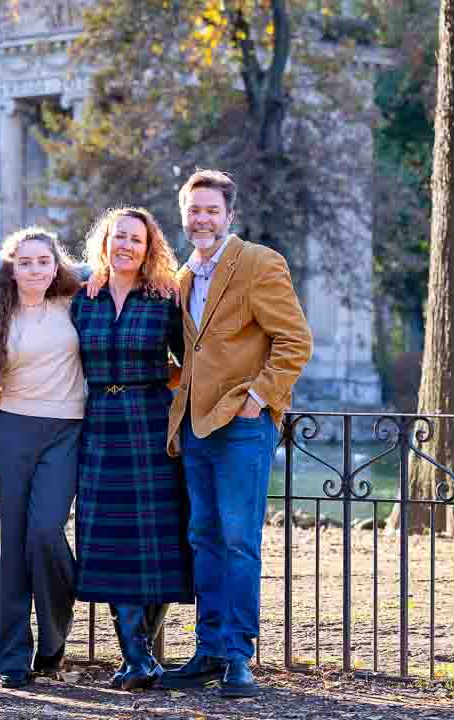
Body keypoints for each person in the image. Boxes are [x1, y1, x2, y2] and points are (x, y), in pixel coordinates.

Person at [159, 170, 313, 698]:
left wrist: (257, 400)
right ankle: (207, 648)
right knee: (203, 537)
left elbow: (293, 341)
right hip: (197, 427)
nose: (201, 218)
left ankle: (238, 654)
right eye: (193, 210)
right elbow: (192, 351)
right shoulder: (181, 277)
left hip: (242, 428)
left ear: (228, 216)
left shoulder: (257, 263)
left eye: (211, 210)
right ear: (184, 216)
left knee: (238, 540)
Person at [70, 207, 192, 691]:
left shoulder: (165, 296)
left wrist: (168, 387)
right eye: (118, 236)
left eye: (136, 240)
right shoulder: (82, 296)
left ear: (149, 248)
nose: (126, 245)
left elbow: (193, 360)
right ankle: (138, 657)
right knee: (111, 540)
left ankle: (139, 655)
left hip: (151, 422)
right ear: (104, 241)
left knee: (158, 539)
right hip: (100, 422)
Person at [0, 228, 85, 688]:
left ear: (56, 265)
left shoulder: (76, 304)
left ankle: (55, 637)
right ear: (12, 268)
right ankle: (8, 658)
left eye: (44, 261)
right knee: (6, 548)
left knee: (44, 532)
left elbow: (115, 271)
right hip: (10, 431)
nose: (35, 269)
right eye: (25, 262)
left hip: (66, 431)